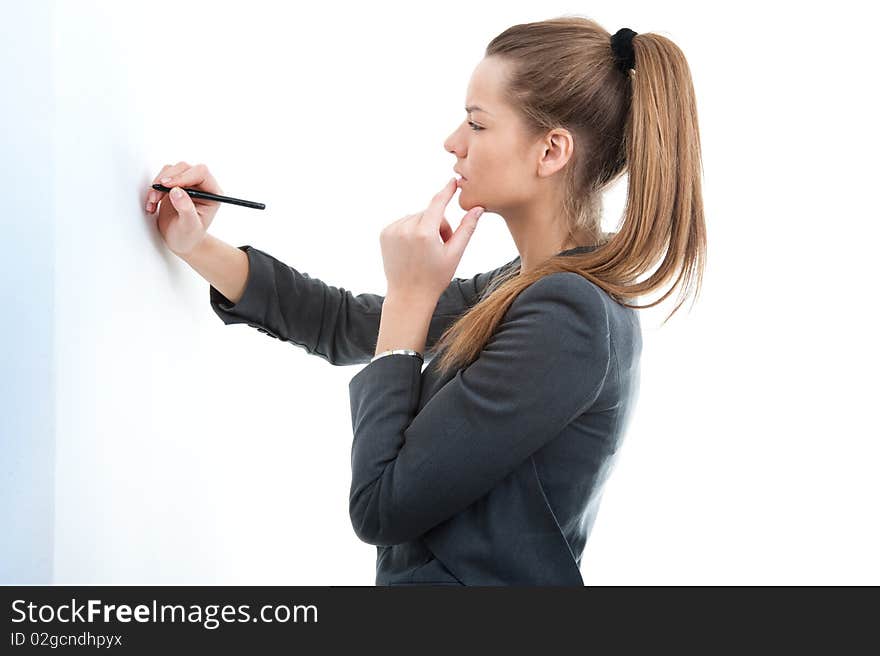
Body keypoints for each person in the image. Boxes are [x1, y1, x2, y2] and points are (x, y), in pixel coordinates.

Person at [144, 16, 705, 585]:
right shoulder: (525, 285)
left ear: (551, 150)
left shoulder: (569, 314)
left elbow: (382, 505)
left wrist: (413, 296)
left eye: (476, 123)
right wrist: (197, 244)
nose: (453, 142)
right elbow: (343, 322)